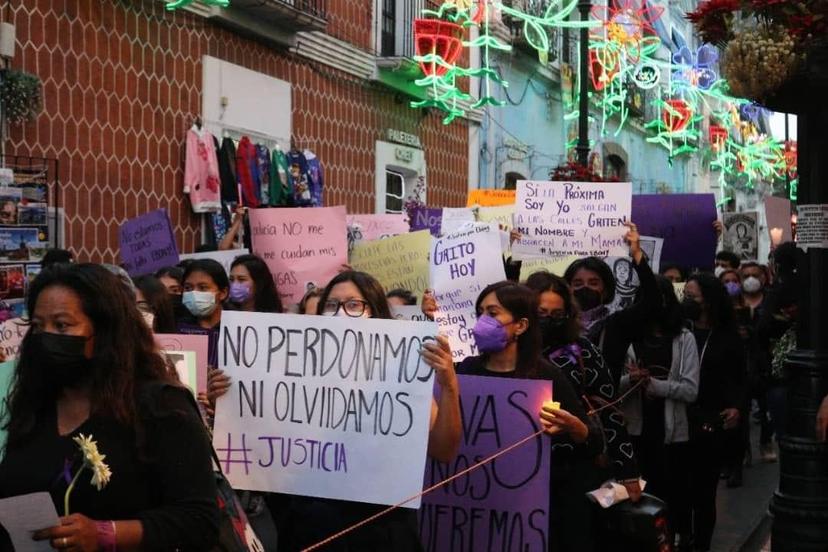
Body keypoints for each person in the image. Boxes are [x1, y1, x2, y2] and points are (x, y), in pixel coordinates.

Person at [210, 271, 461, 551]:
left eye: (354, 304)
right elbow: (259, 433)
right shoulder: (288, 368)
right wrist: (227, 400)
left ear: (374, 310)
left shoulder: (401, 372)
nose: (340, 312)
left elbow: (444, 450)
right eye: (331, 305)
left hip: (379, 529)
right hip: (309, 523)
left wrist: (449, 385)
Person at [0, 263, 219, 550]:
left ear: (105, 330)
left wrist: (107, 534)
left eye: (62, 325)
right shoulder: (35, 401)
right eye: (39, 326)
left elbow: (200, 520)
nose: (46, 337)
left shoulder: (161, 406)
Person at [451, 281, 598, 552]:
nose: (483, 321)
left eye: (493, 313)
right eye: (480, 312)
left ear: (520, 326)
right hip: (476, 503)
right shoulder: (466, 370)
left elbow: (593, 441)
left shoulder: (544, 375)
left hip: (529, 508)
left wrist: (575, 427)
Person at [621, 275, 699, 547]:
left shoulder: (683, 338)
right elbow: (610, 387)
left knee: (673, 495)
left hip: (671, 433)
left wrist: (654, 385)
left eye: (660, 299)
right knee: (640, 498)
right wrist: (631, 380)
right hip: (635, 433)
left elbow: (690, 389)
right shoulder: (626, 338)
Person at [682, 272, 745, 552]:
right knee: (680, 489)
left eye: (691, 297)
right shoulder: (680, 331)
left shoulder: (727, 336)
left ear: (707, 301)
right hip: (679, 417)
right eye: (684, 296)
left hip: (710, 418)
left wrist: (736, 406)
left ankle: (701, 545)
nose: (686, 302)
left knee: (704, 492)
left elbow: (739, 377)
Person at [563, 221, 659, 385]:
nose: (585, 288)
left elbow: (652, 300)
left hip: (604, 406)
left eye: (593, 283)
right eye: (578, 284)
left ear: (606, 290)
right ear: (568, 289)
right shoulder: (559, 325)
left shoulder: (617, 325)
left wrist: (636, 253)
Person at [739, 261, 776, 461]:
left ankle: (765, 442)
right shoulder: (734, 301)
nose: (751, 279)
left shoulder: (770, 301)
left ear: (763, 278)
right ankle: (743, 449)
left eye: (755, 274)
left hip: (763, 360)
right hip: (740, 361)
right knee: (741, 408)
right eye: (746, 276)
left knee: (765, 406)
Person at [179, 259, 229, 369]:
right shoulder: (177, 328)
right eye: (188, 288)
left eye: (203, 288)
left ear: (223, 293)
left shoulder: (238, 330)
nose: (194, 293)